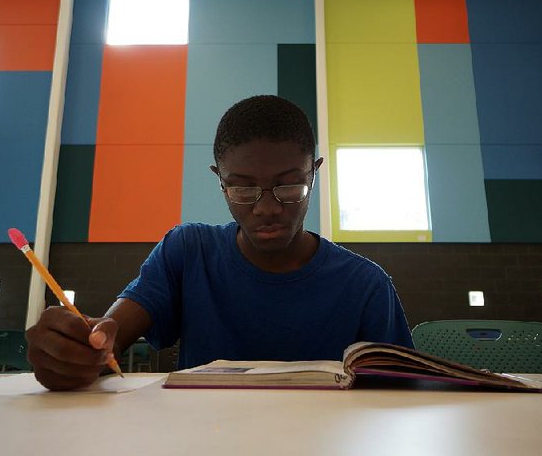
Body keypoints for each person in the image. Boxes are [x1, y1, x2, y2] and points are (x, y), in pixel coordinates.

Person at [26, 95, 414, 390]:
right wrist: (80, 349)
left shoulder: (365, 285)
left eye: (289, 185)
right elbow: (110, 333)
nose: (266, 208)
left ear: (314, 172)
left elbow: (398, 396)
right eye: (242, 189)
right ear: (220, 179)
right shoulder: (189, 251)